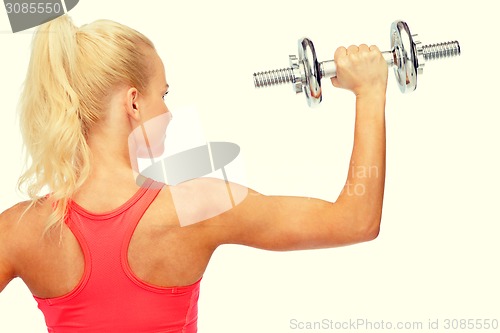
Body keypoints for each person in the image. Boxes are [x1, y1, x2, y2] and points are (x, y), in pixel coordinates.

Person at [0, 14, 387, 333]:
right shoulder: (196, 205)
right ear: (133, 102)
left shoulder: (22, 228)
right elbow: (356, 221)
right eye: (163, 94)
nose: (167, 113)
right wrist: (369, 93)